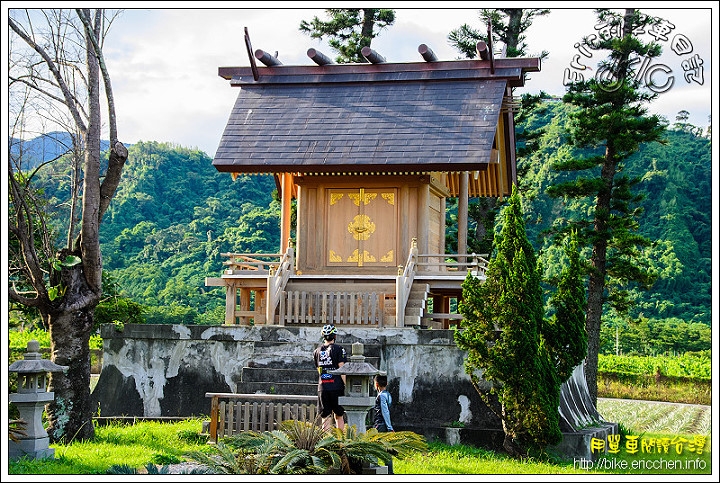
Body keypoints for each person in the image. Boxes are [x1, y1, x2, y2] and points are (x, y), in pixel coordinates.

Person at [313, 324, 347, 431]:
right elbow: (342, 369)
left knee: (325, 416)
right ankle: (340, 439)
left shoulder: (317, 351)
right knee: (339, 415)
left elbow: (318, 368)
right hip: (337, 386)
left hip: (323, 386)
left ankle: (326, 441)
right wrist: (345, 384)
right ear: (335, 336)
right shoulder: (339, 349)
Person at [373, 373, 394, 474]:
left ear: (376, 384)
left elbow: (385, 412)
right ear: (387, 383)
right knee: (387, 448)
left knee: (373, 446)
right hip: (385, 424)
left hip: (380, 425)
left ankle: (373, 467)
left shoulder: (381, 396)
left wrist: (389, 428)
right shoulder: (388, 395)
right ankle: (390, 471)